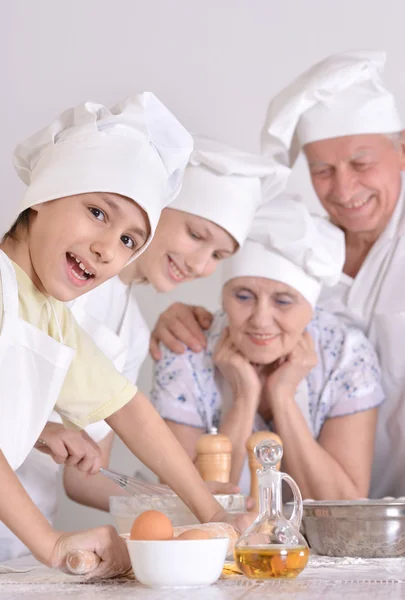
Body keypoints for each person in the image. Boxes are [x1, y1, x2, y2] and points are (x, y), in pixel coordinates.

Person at [0, 93, 251, 577]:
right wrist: (51, 544)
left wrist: (213, 513)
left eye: (129, 241)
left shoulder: (50, 314)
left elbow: (128, 409)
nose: (106, 248)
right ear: (43, 196)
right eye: (98, 212)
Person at [149, 51, 405, 499]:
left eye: (361, 164)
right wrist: (180, 310)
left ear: (401, 148)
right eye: (322, 170)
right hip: (350, 512)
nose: (343, 190)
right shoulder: (302, 243)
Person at [151, 196, 384, 499]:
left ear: (311, 307)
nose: (261, 320)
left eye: (283, 301)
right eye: (243, 296)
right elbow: (184, 506)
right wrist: (244, 400)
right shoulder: (187, 347)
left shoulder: (346, 355)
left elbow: (343, 508)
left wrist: (283, 398)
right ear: (223, 297)